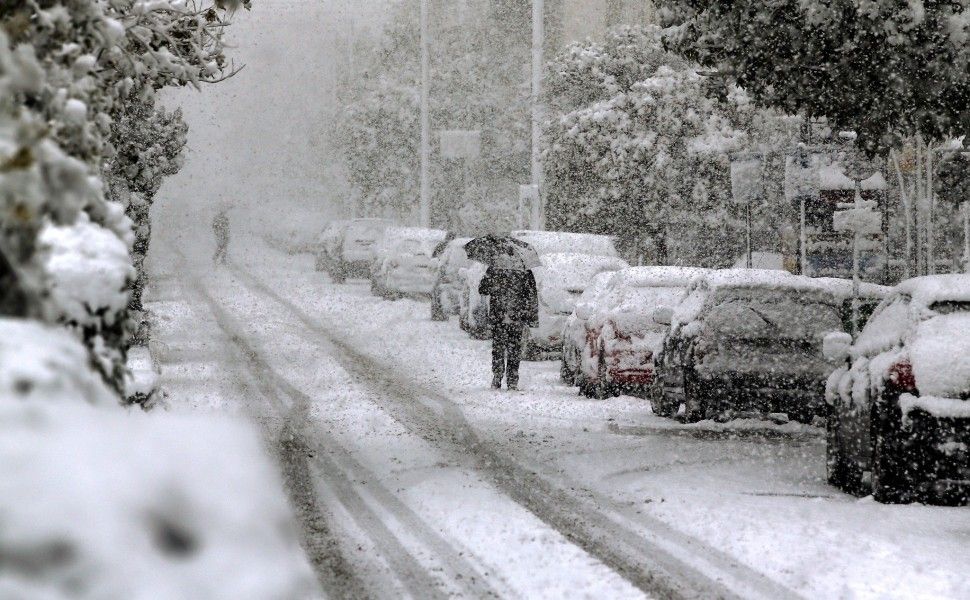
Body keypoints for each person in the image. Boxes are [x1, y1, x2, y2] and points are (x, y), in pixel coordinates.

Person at [478, 252, 538, 390]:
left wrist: (494, 286)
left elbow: (483, 289)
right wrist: (531, 317)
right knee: (514, 348)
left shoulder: (494, 268)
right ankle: (512, 380)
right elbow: (531, 295)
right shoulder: (525, 270)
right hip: (517, 316)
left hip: (499, 315)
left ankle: (497, 376)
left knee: (499, 347)